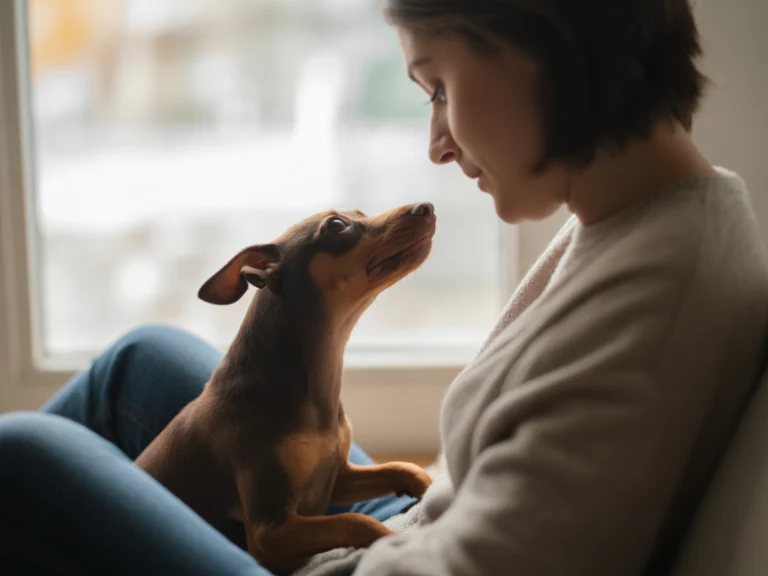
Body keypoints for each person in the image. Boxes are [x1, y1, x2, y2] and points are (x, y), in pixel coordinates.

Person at [2, 0, 767, 574]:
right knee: (143, 362)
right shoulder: (646, 217)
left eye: (436, 86)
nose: (436, 146)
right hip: (425, 523)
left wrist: (355, 543)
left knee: (23, 455)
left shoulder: (652, 310)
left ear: (536, 45)